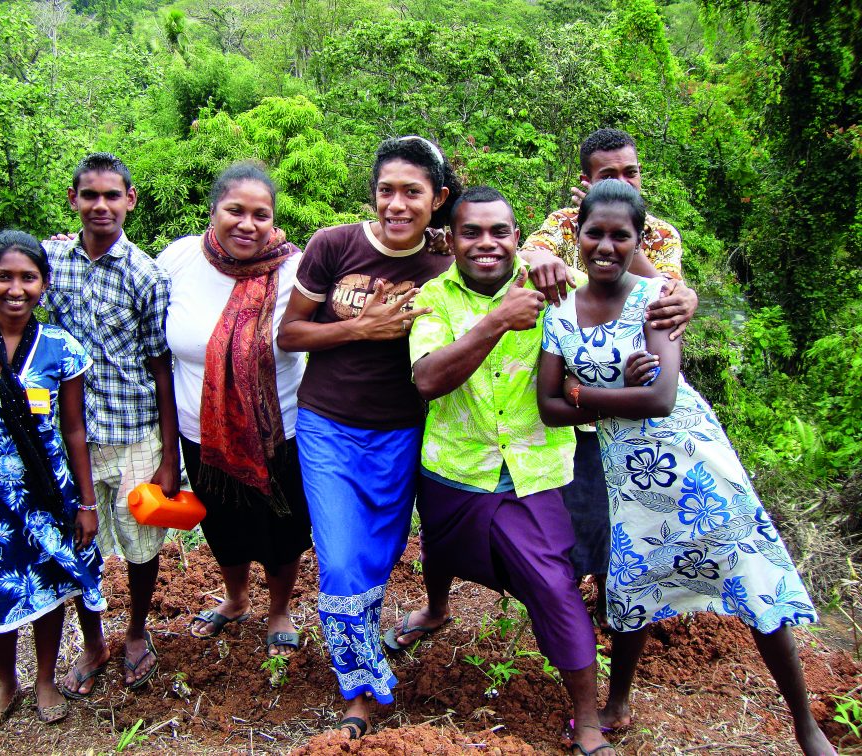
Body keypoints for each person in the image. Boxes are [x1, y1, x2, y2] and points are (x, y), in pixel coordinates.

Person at [536, 180, 835, 756]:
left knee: (749, 578)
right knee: (633, 582)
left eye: (620, 235)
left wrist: (581, 391)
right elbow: (546, 411)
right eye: (593, 232)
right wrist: (601, 390)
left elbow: (661, 398)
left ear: (638, 240)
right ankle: (619, 699)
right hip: (628, 474)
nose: (604, 245)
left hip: (694, 462)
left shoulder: (657, 296)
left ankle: (805, 724)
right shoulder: (559, 312)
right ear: (575, 236)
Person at [0, 153, 179, 696]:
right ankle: (94, 640)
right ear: (74, 200)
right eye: (89, 195)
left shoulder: (149, 275)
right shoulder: (53, 259)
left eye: (113, 195)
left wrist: (169, 455)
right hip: (62, 443)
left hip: (132, 431)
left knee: (140, 547)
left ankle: (135, 631)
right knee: (76, 547)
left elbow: (162, 368)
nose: (101, 206)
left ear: (131, 201)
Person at [401, 186, 614, 755]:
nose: (486, 243)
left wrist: (679, 300)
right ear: (451, 239)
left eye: (500, 232)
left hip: (535, 470)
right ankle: (439, 608)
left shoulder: (556, 285)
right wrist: (497, 320)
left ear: (518, 237)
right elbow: (427, 380)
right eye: (471, 232)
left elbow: (613, 313)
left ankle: (587, 719)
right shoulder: (432, 297)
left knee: (553, 585)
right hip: (454, 463)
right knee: (440, 549)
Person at [277, 136, 461, 738]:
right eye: (387, 190)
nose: (397, 204)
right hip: (327, 426)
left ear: (438, 199)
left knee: (375, 557)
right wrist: (361, 327)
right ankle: (357, 687)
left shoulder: (445, 267)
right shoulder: (335, 245)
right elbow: (290, 334)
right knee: (338, 559)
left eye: (413, 192)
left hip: (402, 433)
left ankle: (362, 639)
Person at [522, 127, 698, 627]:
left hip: (641, 396)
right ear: (584, 181)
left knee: (634, 514)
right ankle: (578, 605)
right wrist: (545, 258)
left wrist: (630, 231)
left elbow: (666, 295)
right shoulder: (562, 224)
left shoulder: (660, 234)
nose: (623, 180)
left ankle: (623, 606)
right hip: (578, 403)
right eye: (608, 176)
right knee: (584, 507)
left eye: (630, 173)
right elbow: (529, 253)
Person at [0, 230, 105, 731]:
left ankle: (45, 678)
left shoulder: (61, 348)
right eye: (3, 277)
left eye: (28, 277)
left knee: (51, 586)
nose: (16, 288)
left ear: (44, 284)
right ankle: (6, 681)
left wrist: (88, 503)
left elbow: (74, 430)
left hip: (49, 494)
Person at [156, 162, 311, 656]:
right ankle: (236, 598)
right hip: (200, 431)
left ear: (273, 220)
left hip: (280, 430)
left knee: (284, 528)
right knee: (221, 523)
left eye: (260, 214)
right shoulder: (178, 259)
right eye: (235, 210)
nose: (248, 223)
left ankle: (279, 608)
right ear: (213, 211)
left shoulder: (298, 267)